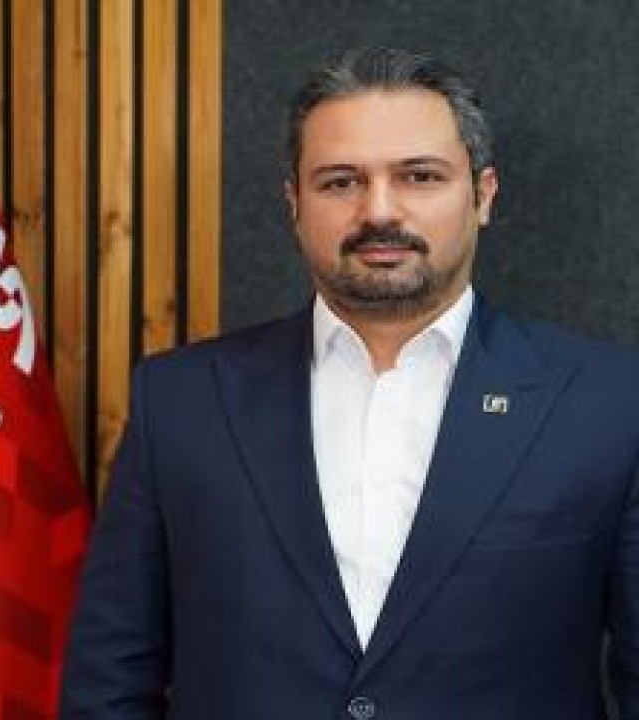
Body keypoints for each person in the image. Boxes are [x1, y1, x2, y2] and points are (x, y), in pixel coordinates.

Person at [59, 46, 639, 720]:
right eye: (340, 182)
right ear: (294, 203)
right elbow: (111, 676)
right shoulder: (181, 402)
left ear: (483, 195)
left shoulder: (609, 405)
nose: (379, 211)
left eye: (419, 176)